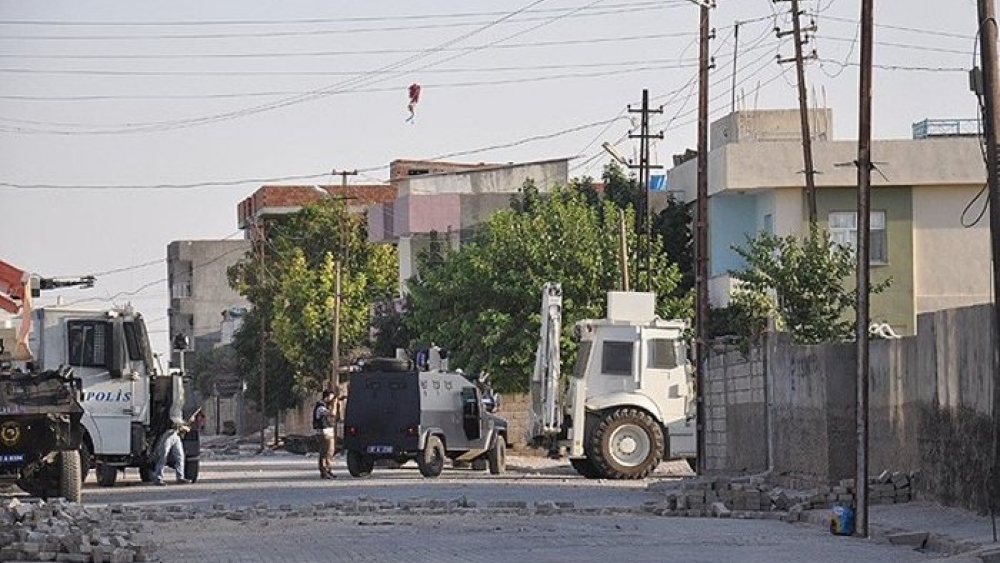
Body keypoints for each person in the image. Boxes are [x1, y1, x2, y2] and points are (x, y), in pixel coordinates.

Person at [313, 387, 339, 479]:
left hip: (328, 432)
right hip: (323, 433)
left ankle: (328, 470)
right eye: (331, 397)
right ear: (327, 396)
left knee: (330, 452)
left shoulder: (324, 406)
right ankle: (323, 471)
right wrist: (335, 404)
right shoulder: (320, 407)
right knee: (324, 452)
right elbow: (332, 414)